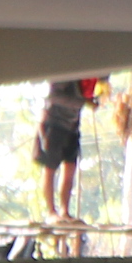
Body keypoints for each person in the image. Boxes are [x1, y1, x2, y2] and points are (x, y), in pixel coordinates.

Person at [37, 75, 98, 224]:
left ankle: (65, 211)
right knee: (50, 168)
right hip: (53, 123)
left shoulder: (89, 77)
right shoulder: (66, 74)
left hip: (72, 126)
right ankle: (51, 212)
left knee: (70, 168)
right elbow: (53, 96)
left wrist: (92, 99)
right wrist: (82, 101)